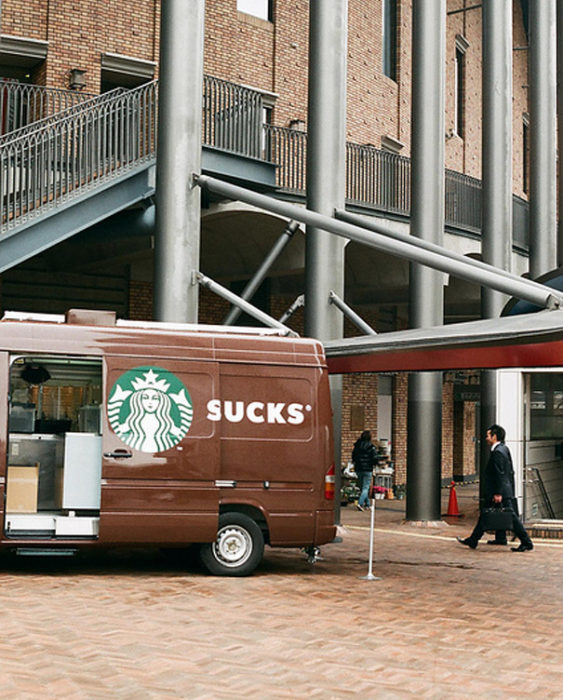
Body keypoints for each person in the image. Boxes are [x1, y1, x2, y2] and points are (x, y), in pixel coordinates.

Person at [457, 424, 533, 552]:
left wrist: (498, 493)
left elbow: (499, 473)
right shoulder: (504, 449)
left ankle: (526, 542)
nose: (486, 438)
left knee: (511, 518)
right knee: (486, 515)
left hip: (499, 491)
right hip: (503, 490)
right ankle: (480, 539)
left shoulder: (497, 452)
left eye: (488, 435)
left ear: (494, 436)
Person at [352, 430, 378, 511]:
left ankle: (367, 504)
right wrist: (375, 463)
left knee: (362, 487)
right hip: (368, 469)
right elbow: (374, 458)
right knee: (365, 487)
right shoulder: (371, 447)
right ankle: (360, 503)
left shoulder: (357, 446)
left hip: (358, 468)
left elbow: (353, 456)